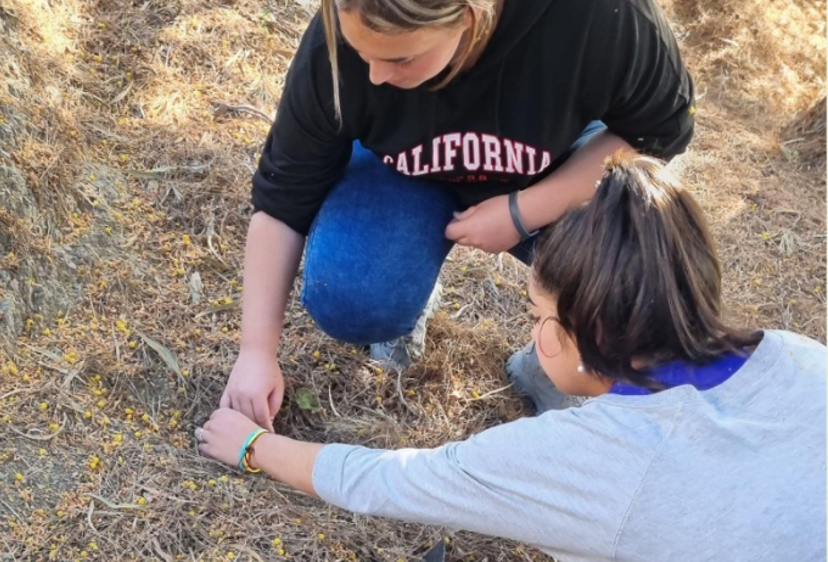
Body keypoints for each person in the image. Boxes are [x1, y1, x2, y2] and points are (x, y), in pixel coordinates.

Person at [221, 0, 696, 428]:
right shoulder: (350, 29)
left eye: (399, 59)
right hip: (408, 169)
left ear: (468, 18)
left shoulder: (596, 0)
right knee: (351, 292)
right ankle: (405, 296)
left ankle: (556, 363)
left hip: (554, 166)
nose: (372, 76)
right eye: (359, 51)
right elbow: (282, 197)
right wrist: (256, 352)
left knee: (635, 279)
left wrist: (525, 210)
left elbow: (659, 133)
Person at [196, 157, 828, 561]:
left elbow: (397, 480)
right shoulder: (801, 357)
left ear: (594, 328)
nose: (533, 333)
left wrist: (253, 445)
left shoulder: (599, 456)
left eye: (536, 317)